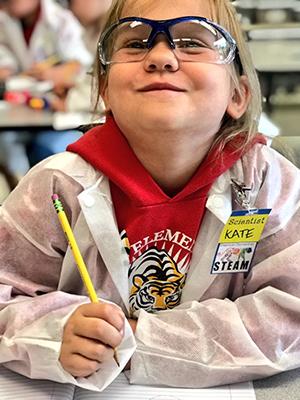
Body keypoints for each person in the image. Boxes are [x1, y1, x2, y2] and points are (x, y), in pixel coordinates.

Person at [0, 0, 300, 392]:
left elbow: (289, 316)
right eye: (136, 43)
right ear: (104, 90)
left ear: (238, 95)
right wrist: (54, 333)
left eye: (192, 42)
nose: (161, 56)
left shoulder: (267, 184)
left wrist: (135, 339)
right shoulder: (56, 187)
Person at [0, 0, 92, 178]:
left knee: (50, 150)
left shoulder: (60, 19)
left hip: (54, 114)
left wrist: (54, 73)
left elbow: (80, 65)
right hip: (19, 109)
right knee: (7, 144)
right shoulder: (5, 20)